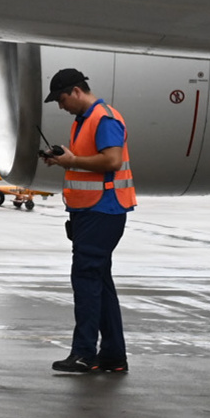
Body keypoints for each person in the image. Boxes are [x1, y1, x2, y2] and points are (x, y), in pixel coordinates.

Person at [39, 68, 135, 374]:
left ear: (76, 91)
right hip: (91, 212)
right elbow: (90, 163)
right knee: (99, 282)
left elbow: (112, 160)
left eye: (62, 99)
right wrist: (62, 159)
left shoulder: (104, 118)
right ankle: (112, 355)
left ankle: (83, 353)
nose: (61, 105)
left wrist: (72, 161)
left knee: (86, 280)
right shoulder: (84, 120)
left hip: (103, 211)